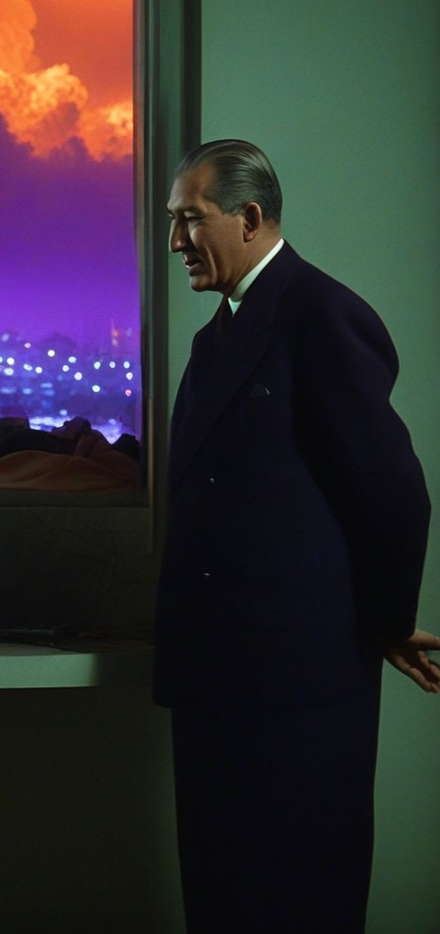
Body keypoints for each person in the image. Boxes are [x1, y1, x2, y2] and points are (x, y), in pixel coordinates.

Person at [153, 139, 440, 934]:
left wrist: (386, 619)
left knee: (299, 893)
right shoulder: (216, 339)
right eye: (173, 221)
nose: (175, 242)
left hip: (296, 686)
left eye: (189, 220)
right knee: (222, 896)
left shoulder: (323, 314)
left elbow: (393, 491)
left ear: (249, 218)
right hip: (218, 680)